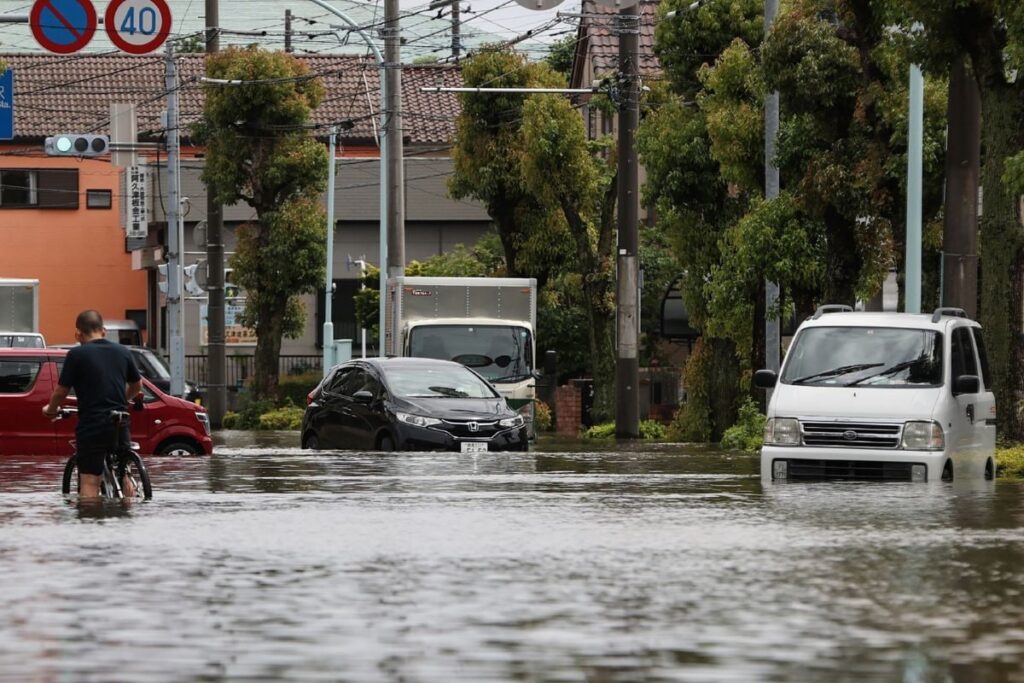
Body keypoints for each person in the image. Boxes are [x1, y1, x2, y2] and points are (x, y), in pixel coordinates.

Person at [42, 310, 143, 499]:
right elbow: (137, 386)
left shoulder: (76, 355)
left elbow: (61, 391)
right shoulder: (123, 351)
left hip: (93, 423)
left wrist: (51, 409)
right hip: (120, 420)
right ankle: (128, 512)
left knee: (89, 480)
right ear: (103, 331)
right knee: (124, 470)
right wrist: (122, 400)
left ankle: (90, 523)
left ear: (77, 334)